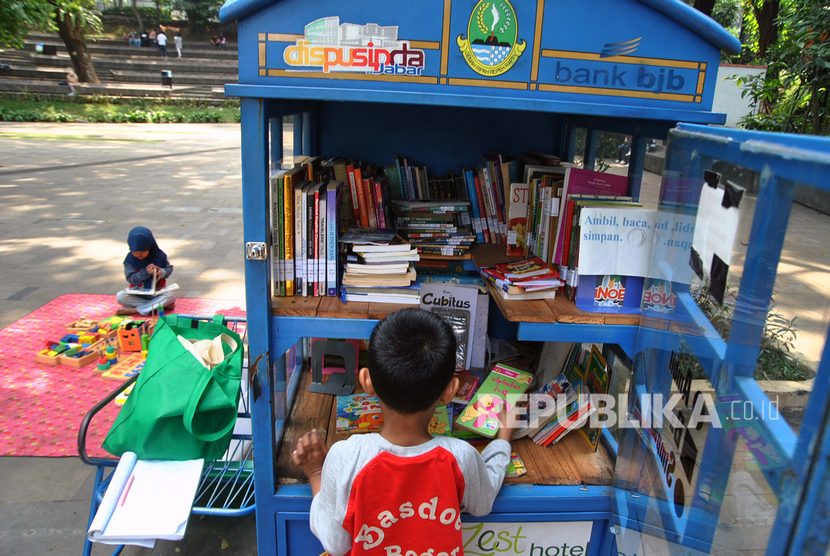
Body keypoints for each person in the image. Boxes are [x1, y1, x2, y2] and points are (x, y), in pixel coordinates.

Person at [292, 308, 512, 556]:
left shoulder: (347, 456)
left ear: (366, 381)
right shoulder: (461, 457)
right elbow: (482, 504)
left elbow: (335, 544)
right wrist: (502, 442)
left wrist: (316, 472)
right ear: (450, 391)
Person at [115, 226, 177, 316]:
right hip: (138, 293)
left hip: (157, 292)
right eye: (135, 252)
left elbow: (168, 269)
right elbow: (131, 279)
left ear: (150, 247)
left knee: (170, 295)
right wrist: (145, 272)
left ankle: (136, 310)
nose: (139, 255)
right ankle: (158, 305)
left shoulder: (159, 256)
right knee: (120, 296)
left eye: (143, 251)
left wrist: (161, 272)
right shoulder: (130, 260)